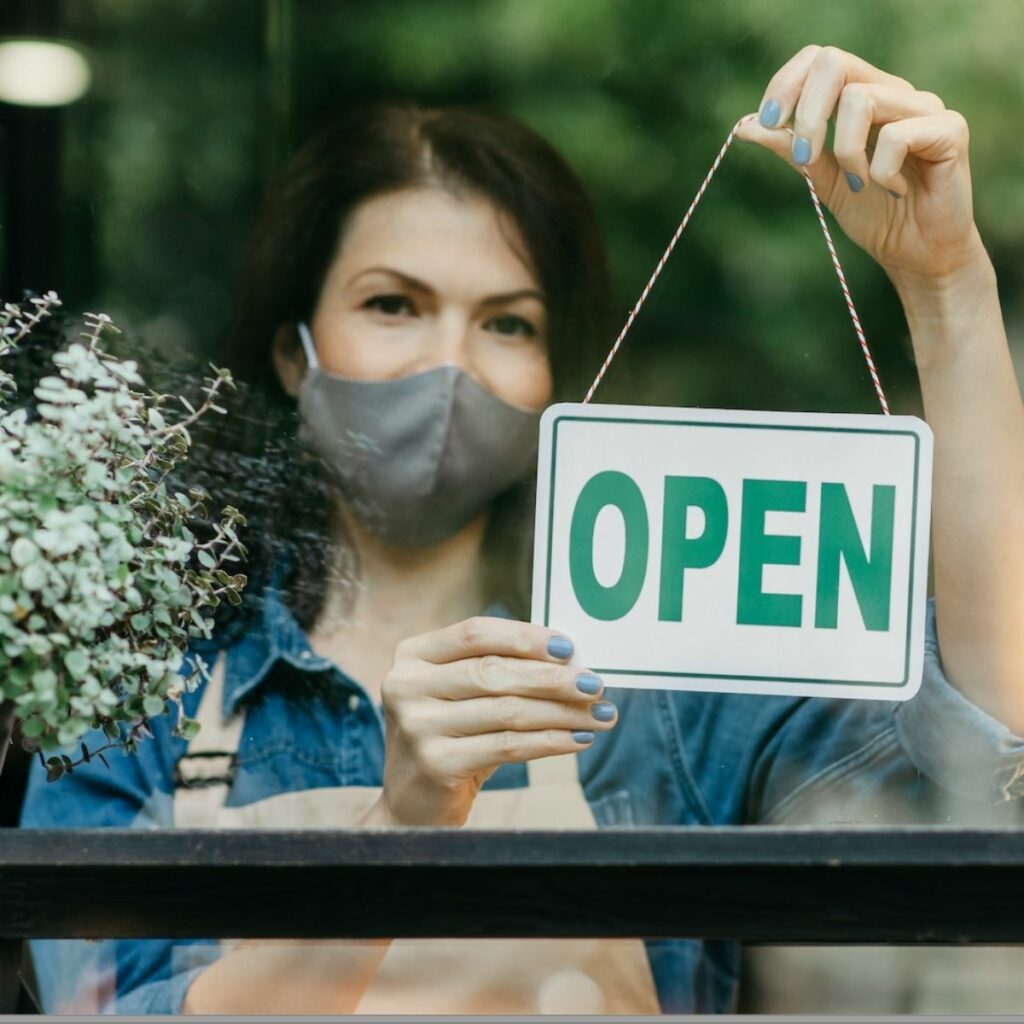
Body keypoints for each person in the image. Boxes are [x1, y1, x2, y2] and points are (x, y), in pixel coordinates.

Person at [19, 45, 1024, 1014]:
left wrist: (946, 288)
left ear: (556, 380)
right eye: (392, 305)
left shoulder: (665, 668)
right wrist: (401, 824)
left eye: (507, 323)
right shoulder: (148, 691)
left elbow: (983, 757)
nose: (449, 366)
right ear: (294, 352)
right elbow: (103, 1010)